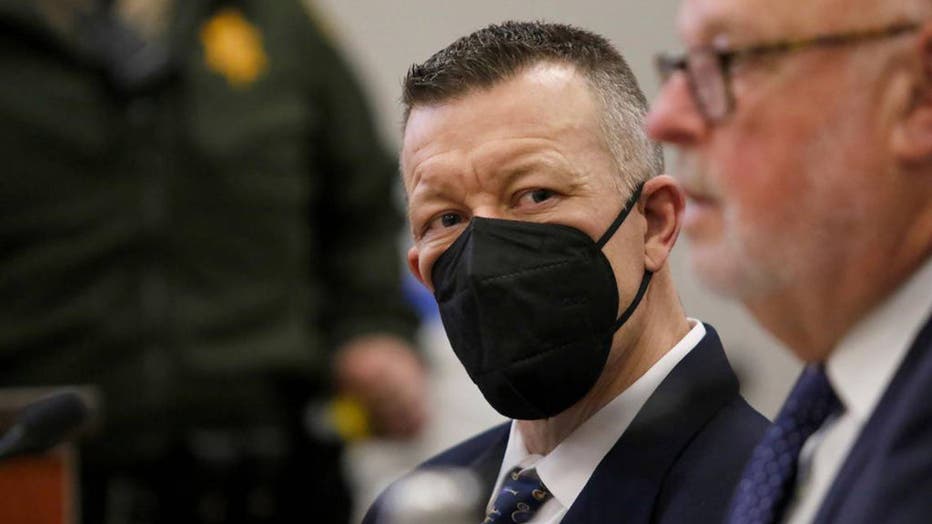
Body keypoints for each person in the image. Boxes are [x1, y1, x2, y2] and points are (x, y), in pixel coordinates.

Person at [0, 1, 425, 523]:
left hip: (271, 468)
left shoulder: (276, 22)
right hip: (41, 472)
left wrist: (372, 330)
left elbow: (361, 205)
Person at [363, 21, 769, 524]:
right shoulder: (411, 509)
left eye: (535, 195)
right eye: (446, 219)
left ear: (654, 222)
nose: (485, 257)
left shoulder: (771, 499)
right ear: (421, 272)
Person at [647, 0, 932, 523]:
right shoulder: (832, 407)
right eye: (685, 63)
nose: (664, 119)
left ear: (920, 94)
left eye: (729, 59)